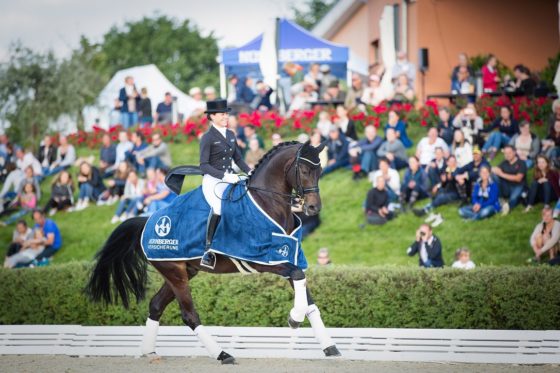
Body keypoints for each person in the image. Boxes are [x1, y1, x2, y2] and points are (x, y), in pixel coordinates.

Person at [199, 99, 252, 269]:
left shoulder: (230, 134)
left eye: (226, 114)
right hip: (213, 179)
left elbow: (238, 159)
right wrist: (224, 176)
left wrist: (250, 172)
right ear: (212, 116)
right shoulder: (207, 138)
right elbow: (204, 165)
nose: (226, 116)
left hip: (231, 176)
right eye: (222, 114)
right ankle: (208, 250)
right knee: (219, 208)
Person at [492, 145, 527, 214]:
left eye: (509, 153)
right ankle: (500, 199)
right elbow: (495, 169)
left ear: (514, 152)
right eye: (505, 153)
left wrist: (502, 174)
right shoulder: (504, 162)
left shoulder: (521, 163)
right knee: (494, 176)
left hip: (518, 186)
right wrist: (495, 170)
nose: (507, 155)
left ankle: (507, 207)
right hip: (506, 186)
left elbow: (518, 178)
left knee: (513, 199)